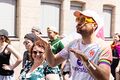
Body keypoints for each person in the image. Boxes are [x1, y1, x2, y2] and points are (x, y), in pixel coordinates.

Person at [40, 10, 113, 80]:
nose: (78, 23)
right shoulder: (73, 44)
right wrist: (48, 49)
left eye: (83, 20)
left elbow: (105, 78)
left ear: (94, 25)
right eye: (78, 20)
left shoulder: (103, 47)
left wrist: (86, 61)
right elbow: (53, 62)